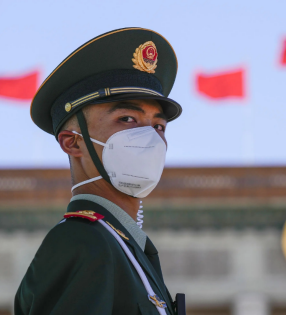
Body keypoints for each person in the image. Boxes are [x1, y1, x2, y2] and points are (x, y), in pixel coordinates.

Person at [14, 27, 185, 315]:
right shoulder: (81, 242)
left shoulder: (126, 246)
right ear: (72, 142)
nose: (151, 138)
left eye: (158, 126)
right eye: (127, 118)